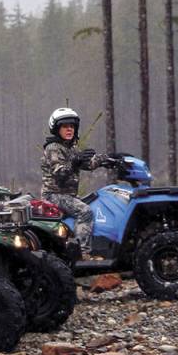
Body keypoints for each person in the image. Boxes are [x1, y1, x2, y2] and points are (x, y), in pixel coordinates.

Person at [40, 107, 112, 256]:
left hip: (68, 196)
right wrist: (75, 160)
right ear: (56, 128)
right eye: (65, 126)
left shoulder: (70, 147)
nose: (69, 129)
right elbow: (60, 173)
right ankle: (83, 254)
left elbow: (89, 164)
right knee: (85, 212)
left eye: (72, 126)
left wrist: (109, 158)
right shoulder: (53, 148)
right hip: (53, 195)